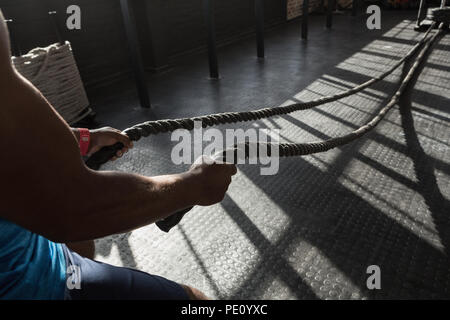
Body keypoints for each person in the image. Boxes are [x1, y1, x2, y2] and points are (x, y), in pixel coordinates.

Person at [0, 10, 236, 300]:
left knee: (80, 243)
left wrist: (81, 139)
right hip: (33, 286)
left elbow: (12, 138)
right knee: (194, 301)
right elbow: (71, 206)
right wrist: (195, 185)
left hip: (41, 253)